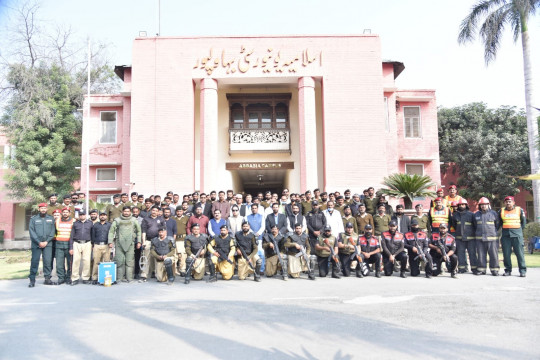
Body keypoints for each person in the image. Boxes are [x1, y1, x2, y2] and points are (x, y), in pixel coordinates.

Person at [108, 206, 142, 283]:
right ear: (122, 212)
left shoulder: (134, 220)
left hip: (130, 244)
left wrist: (139, 242)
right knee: (120, 261)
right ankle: (119, 278)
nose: (126, 213)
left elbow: (139, 231)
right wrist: (110, 242)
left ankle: (129, 278)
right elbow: (111, 232)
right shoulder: (117, 220)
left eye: (128, 211)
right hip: (119, 244)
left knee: (129, 261)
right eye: (125, 211)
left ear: (130, 212)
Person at [28, 203, 56, 287]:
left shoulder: (51, 219)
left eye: (44, 208)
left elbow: (53, 231)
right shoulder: (33, 219)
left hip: (48, 243)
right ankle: (32, 280)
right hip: (36, 243)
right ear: (39, 209)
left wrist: (46, 241)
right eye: (41, 208)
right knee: (34, 261)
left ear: (46, 209)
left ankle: (47, 279)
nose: (43, 209)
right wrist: (38, 242)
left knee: (48, 261)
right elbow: (31, 231)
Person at [498, 196, 527, 277]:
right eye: (506, 202)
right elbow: (499, 224)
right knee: (506, 254)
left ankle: (522, 271)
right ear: (504, 203)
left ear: (513, 202)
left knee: (519, 253)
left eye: (510, 201)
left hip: (517, 235)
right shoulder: (501, 211)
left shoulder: (519, 210)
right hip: (506, 236)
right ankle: (507, 270)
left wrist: (519, 231)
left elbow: (523, 223)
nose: (508, 203)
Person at [473, 197, 500, 276]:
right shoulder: (476, 215)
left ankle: (494, 270)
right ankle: (482, 270)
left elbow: (497, 225)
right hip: (480, 238)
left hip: (492, 239)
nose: (483, 206)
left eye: (485, 204)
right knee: (481, 255)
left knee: (493, 255)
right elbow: (475, 226)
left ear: (488, 205)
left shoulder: (494, 213)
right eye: (481, 205)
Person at [452, 198, 477, 274]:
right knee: (460, 253)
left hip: (471, 239)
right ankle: (461, 269)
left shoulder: (471, 214)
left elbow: (475, 226)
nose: (461, 206)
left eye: (463, 204)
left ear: (466, 205)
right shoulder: (455, 215)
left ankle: (474, 269)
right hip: (459, 239)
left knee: (472, 253)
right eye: (460, 205)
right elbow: (454, 225)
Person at [69, 210, 94, 285]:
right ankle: (74, 278)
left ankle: (85, 277)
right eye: (80, 215)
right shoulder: (75, 224)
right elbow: (72, 236)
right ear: (79, 216)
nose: (82, 216)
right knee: (76, 261)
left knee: (86, 261)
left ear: (86, 215)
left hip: (87, 243)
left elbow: (92, 234)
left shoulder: (90, 223)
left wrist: (92, 244)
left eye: (83, 215)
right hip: (76, 243)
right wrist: (71, 247)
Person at [140, 205, 163, 281]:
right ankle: (144, 274)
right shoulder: (146, 219)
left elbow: (164, 231)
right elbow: (143, 231)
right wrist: (143, 242)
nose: (154, 212)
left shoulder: (161, 219)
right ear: (151, 211)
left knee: (157, 258)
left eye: (156, 211)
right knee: (146, 258)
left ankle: (157, 274)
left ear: (158, 212)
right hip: (148, 241)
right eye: (153, 210)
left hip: (158, 241)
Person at [55, 207, 75, 285]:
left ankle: (68, 277)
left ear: (69, 213)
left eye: (67, 212)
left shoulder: (73, 221)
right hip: (59, 244)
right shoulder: (57, 220)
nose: (65, 213)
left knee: (69, 263)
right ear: (62, 213)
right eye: (64, 212)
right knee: (59, 263)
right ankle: (61, 278)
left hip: (69, 244)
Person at [91, 211, 111, 284]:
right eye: (101, 215)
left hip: (106, 245)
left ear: (106, 216)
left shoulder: (109, 225)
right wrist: (93, 245)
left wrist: (111, 243)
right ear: (99, 216)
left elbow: (112, 234)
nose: (102, 216)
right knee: (96, 262)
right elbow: (93, 235)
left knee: (106, 262)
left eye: (104, 215)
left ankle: (105, 277)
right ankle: (94, 277)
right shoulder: (95, 225)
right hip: (97, 245)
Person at [174, 207, 189, 276]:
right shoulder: (173, 218)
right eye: (178, 211)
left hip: (182, 239)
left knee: (183, 255)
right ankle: (174, 270)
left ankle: (182, 269)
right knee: (175, 255)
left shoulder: (186, 218)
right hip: (174, 239)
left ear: (182, 211)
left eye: (180, 211)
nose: (179, 213)